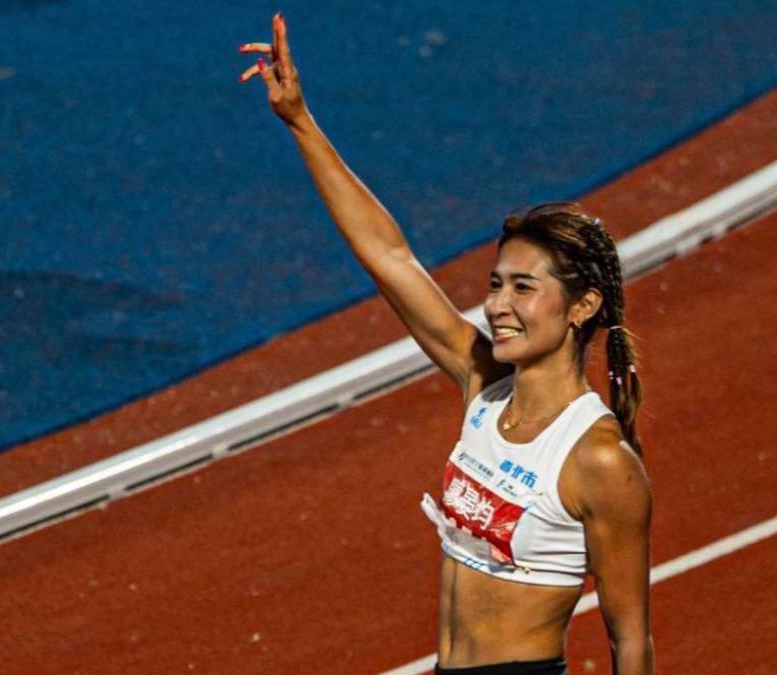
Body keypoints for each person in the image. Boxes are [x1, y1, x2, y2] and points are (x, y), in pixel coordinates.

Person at [239, 14, 654, 675]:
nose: (498, 306)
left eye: (524, 288)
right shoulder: (484, 386)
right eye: (496, 284)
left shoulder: (598, 460)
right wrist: (299, 121)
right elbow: (390, 257)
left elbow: (629, 638)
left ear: (583, 306)